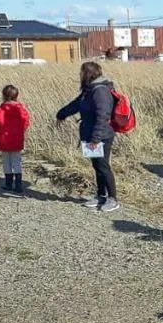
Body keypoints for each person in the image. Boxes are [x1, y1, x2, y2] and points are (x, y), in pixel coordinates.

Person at [56, 61, 119, 213]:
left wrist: (95, 139)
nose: (80, 75)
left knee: (103, 166)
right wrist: (61, 114)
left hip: (101, 135)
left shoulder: (100, 91)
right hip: (90, 134)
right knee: (96, 166)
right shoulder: (88, 90)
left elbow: (102, 116)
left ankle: (113, 199)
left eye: (81, 72)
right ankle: (100, 195)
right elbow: (76, 105)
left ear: (87, 74)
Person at [0, 84, 30, 197]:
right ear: (16, 96)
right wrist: (20, 131)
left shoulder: (0, 109)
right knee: (16, 161)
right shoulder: (21, 109)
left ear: (4, 96)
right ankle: (19, 185)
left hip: (4, 139)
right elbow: (25, 123)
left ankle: (8, 183)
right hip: (17, 138)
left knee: (6, 161)